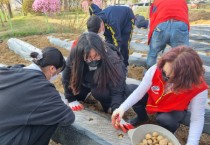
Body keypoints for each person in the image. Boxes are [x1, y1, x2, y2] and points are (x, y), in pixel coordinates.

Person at [112, 46, 208, 145]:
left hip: (174, 108)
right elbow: (139, 92)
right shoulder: (156, 69)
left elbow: (197, 119)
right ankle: (142, 118)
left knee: (165, 120)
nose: (165, 78)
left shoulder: (198, 87)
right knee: (129, 89)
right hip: (155, 99)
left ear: (186, 79)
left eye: (172, 78)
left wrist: (192, 143)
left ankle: (170, 130)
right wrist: (122, 108)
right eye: (164, 73)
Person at [62, 32, 136, 132]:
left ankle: (108, 105)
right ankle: (86, 93)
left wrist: (117, 111)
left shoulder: (113, 59)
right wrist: (70, 98)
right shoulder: (76, 54)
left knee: (101, 93)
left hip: (103, 80)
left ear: (101, 51)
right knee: (77, 95)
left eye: (96, 56)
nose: (93, 60)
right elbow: (66, 76)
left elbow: (117, 88)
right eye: (88, 57)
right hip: (85, 78)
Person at [0, 47, 75, 145]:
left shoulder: (9, 70)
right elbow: (68, 117)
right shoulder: (43, 87)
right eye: (57, 73)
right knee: (50, 119)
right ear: (52, 69)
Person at [146, 0, 189, 69]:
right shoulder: (182, 1)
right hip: (180, 24)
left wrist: (151, 36)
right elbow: (185, 16)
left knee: (153, 53)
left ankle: (149, 74)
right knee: (183, 54)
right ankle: (182, 77)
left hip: (161, 24)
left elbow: (152, 18)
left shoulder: (157, 1)